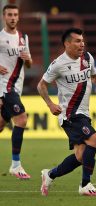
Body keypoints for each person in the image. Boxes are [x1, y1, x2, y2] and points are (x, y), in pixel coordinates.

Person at [37, 28, 96, 196]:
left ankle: (49, 174)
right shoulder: (59, 64)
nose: (81, 44)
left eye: (82, 40)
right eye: (77, 41)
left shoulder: (88, 58)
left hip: (84, 113)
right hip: (70, 114)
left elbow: (94, 77)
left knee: (81, 156)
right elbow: (41, 85)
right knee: (95, 140)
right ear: (67, 44)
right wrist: (50, 104)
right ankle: (85, 185)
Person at [0, 4, 33, 179]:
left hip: (16, 87)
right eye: (9, 15)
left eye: (15, 15)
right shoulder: (0, 37)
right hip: (5, 88)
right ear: (4, 17)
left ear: (18, 17)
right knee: (21, 118)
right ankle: (16, 165)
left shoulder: (23, 38)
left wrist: (27, 60)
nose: (13, 17)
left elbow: (29, 64)